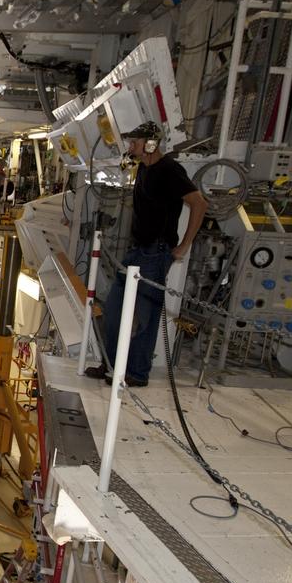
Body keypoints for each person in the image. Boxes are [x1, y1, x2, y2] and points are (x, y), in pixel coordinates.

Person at [86, 122, 207, 387]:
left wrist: (184, 244)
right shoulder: (143, 168)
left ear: (151, 143)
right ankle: (110, 364)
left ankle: (137, 373)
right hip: (136, 250)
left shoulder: (169, 170)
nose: (131, 148)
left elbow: (199, 203)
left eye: (135, 143)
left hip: (156, 252)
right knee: (115, 309)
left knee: (144, 317)